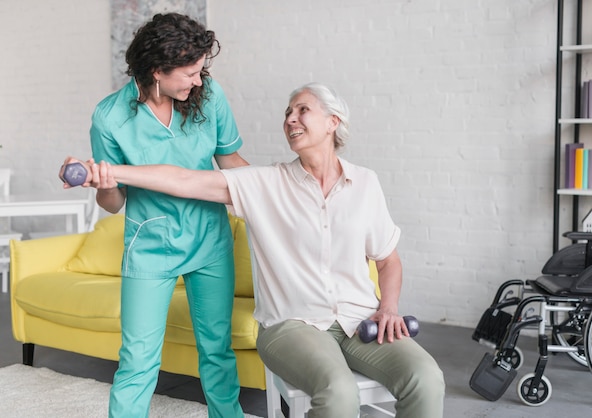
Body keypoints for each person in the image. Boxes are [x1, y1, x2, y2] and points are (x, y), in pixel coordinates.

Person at [62, 82, 445, 417]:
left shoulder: (366, 183)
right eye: (287, 112)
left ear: (333, 122)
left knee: (426, 377)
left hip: (359, 319)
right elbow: (180, 179)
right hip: (292, 324)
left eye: (303, 110)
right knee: (338, 390)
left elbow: (388, 259)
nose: (291, 118)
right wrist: (108, 172)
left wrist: (389, 307)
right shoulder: (265, 184)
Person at [87, 13, 247, 418]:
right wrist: (105, 182)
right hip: (150, 246)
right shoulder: (110, 118)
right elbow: (114, 202)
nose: (198, 80)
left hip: (209, 239)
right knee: (138, 359)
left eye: (200, 71)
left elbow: (230, 160)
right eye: (190, 73)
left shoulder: (209, 97)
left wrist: (278, 192)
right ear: (157, 70)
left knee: (217, 350)